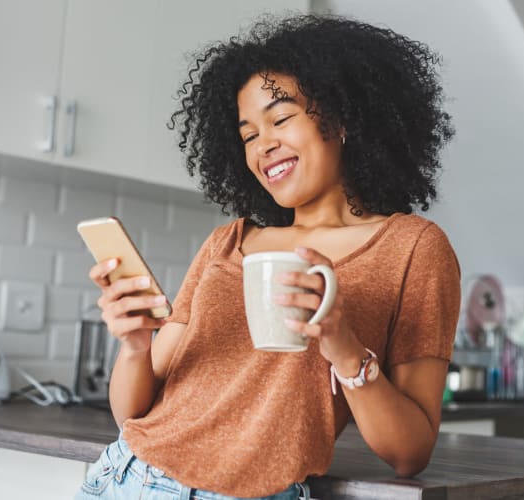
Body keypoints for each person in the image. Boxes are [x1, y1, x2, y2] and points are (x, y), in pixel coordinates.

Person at [76, 14, 460, 500]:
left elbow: (411, 453)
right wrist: (133, 345)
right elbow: (132, 414)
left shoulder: (413, 248)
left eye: (280, 119)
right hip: (129, 478)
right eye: (248, 135)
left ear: (340, 119)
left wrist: (343, 347)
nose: (264, 146)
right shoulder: (227, 242)